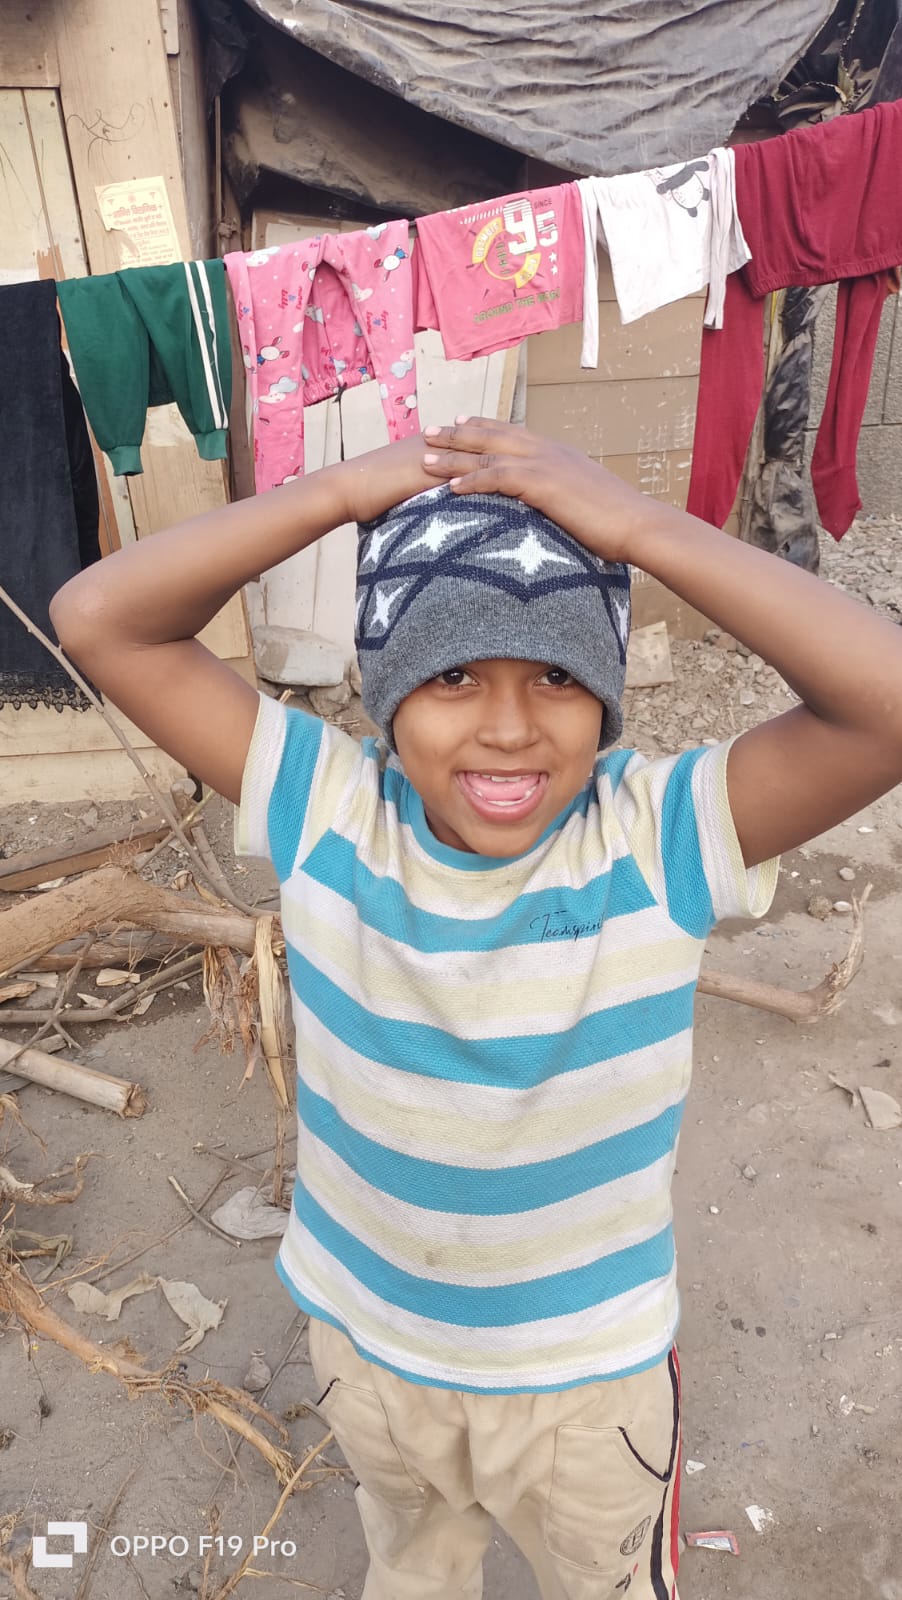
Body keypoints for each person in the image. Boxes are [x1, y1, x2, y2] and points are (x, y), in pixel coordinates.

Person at [51, 418, 902, 1599]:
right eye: (452, 675)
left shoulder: (653, 838)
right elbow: (99, 617)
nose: (507, 725)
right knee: (414, 1569)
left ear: (606, 696)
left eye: (556, 674)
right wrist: (337, 493)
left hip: (587, 1385)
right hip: (371, 1355)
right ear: (384, 693)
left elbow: (884, 703)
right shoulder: (328, 809)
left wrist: (640, 528)